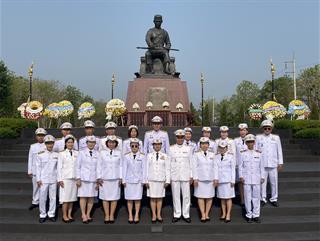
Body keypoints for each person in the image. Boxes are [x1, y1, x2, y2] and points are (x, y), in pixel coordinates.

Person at [256, 120, 283, 207]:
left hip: (273, 164)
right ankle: (262, 199)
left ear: (271, 129)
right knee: (262, 182)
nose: (267, 129)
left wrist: (280, 163)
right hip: (262, 164)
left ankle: (274, 198)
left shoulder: (276, 138)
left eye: (269, 128)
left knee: (274, 182)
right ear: (262, 129)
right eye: (265, 128)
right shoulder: (258, 137)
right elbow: (256, 151)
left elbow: (279, 151)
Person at [239, 134, 265, 223]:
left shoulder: (259, 153)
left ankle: (256, 215)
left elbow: (262, 167)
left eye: (252, 142)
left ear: (254, 143)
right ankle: (249, 214)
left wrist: (262, 177)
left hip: (256, 178)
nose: (250, 144)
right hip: (246, 179)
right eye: (248, 142)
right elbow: (240, 166)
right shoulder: (242, 153)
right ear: (246, 143)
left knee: (256, 197)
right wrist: (241, 176)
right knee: (247, 197)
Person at [97, 135, 122, 224]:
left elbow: (121, 166)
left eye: (113, 142)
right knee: (105, 197)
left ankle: (112, 215)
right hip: (105, 178)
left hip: (115, 178)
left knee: (114, 197)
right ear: (107, 143)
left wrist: (121, 177)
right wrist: (99, 177)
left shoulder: (119, 153)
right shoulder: (102, 153)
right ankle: (106, 215)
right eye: (110, 142)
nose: (112, 144)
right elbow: (99, 165)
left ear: (116, 144)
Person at [193, 137, 218, 222]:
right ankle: (202, 214)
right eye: (202, 144)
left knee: (209, 197)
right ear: (200, 145)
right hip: (200, 179)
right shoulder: (196, 154)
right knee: (200, 197)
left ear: (208, 145)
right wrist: (195, 178)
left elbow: (215, 167)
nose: (204, 145)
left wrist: (216, 178)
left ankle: (207, 214)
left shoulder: (213, 154)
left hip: (210, 179)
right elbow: (194, 167)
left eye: (206, 144)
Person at [170, 129, 193, 223]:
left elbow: (191, 163)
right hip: (175, 175)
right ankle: (177, 213)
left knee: (186, 196)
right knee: (175, 196)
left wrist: (191, 176)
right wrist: (169, 177)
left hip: (185, 175)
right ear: (176, 138)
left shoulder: (189, 148)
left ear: (184, 138)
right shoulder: (171, 148)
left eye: (181, 137)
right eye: (178, 137)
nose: (180, 139)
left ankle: (186, 214)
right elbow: (169, 163)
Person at [145, 139, 170, 223]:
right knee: (152, 198)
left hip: (161, 179)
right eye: (155, 144)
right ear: (153, 146)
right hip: (151, 179)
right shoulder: (148, 156)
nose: (157, 146)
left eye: (159, 144)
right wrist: (146, 180)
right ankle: (154, 215)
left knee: (159, 198)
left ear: (161, 145)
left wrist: (167, 180)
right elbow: (146, 169)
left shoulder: (165, 156)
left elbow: (167, 169)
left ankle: (159, 214)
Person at [122, 138, 146, 224]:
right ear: (130, 147)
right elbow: (124, 168)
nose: (134, 147)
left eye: (136, 146)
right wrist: (123, 180)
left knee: (137, 199)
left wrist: (144, 180)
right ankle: (130, 215)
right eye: (132, 146)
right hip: (128, 180)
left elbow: (144, 169)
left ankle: (136, 215)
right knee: (129, 199)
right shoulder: (126, 156)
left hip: (138, 181)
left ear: (139, 147)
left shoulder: (143, 156)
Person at [35, 135, 58, 223]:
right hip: (43, 179)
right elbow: (38, 168)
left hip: (53, 179)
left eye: (51, 143)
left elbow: (58, 168)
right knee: (42, 197)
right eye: (48, 143)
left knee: (53, 197)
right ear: (45, 144)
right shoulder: (40, 154)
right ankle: (42, 214)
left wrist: (58, 178)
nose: (50, 145)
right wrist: (38, 179)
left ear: (53, 143)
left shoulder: (57, 154)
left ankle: (51, 214)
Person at [76, 136, 99, 224]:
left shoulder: (98, 153)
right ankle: (83, 214)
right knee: (83, 197)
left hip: (93, 178)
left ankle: (88, 214)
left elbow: (99, 167)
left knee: (91, 197)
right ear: (86, 143)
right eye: (89, 142)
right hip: (83, 178)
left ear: (95, 144)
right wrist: (78, 178)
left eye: (93, 142)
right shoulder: (81, 153)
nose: (91, 144)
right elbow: (77, 166)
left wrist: (98, 179)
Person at [57, 134, 79, 223]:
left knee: (72, 199)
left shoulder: (77, 153)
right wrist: (59, 179)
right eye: (68, 142)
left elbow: (78, 166)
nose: (70, 144)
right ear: (65, 143)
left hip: (74, 178)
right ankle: (64, 215)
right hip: (65, 178)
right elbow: (59, 167)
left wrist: (78, 178)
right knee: (65, 199)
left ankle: (70, 215)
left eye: (71, 142)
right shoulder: (61, 153)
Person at [216, 140, 236, 223]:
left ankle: (228, 214)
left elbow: (233, 169)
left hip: (228, 180)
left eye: (224, 148)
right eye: (220, 147)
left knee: (228, 198)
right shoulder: (216, 157)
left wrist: (233, 180)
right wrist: (216, 179)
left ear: (227, 148)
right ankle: (223, 213)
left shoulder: (231, 156)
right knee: (222, 198)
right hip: (220, 180)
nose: (222, 149)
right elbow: (215, 169)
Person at [27, 128, 47, 210]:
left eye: (42, 135)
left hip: (45, 170)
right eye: (39, 135)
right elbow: (30, 158)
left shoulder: (48, 145)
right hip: (35, 170)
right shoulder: (33, 146)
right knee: (35, 187)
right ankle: (35, 202)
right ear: (36, 137)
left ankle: (44, 201)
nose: (41, 137)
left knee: (45, 187)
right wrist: (29, 170)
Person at [234, 123, 249, 207]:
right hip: (239, 165)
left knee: (248, 183)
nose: (242, 132)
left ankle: (248, 199)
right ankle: (242, 200)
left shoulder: (251, 139)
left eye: (244, 130)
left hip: (248, 165)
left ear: (247, 131)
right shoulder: (235, 141)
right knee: (240, 183)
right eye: (240, 130)